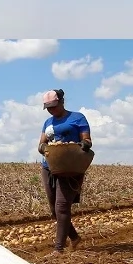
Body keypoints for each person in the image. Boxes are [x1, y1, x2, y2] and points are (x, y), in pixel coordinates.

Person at [37, 89, 93, 254]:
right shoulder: (48, 123)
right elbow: (41, 145)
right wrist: (45, 147)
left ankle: (58, 248)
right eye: (48, 108)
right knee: (55, 210)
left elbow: (87, 140)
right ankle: (74, 238)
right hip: (49, 167)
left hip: (70, 168)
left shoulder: (77, 118)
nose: (51, 110)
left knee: (62, 206)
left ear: (62, 102)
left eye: (53, 106)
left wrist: (84, 145)